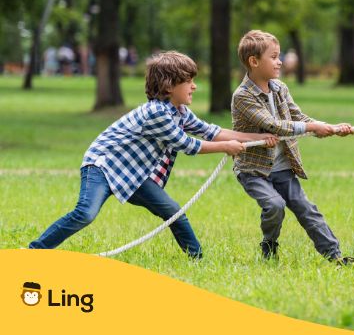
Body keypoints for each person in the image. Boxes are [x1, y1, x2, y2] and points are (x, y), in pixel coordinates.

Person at [29, 51, 278, 258]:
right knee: (85, 213)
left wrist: (258, 139)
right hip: (103, 166)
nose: (194, 86)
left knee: (173, 211)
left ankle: (198, 259)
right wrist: (228, 147)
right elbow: (188, 145)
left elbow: (211, 132)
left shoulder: (179, 111)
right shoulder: (157, 113)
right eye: (189, 81)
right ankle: (34, 252)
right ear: (169, 86)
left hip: (134, 174)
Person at [231, 30, 354, 265]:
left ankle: (335, 256)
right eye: (274, 56)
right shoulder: (242, 95)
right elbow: (272, 124)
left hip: (283, 168)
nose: (280, 61)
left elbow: (299, 118)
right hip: (254, 170)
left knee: (307, 210)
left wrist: (331, 128)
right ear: (254, 61)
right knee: (274, 205)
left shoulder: (280, 89)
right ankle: (269, 243)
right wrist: (313, 127)